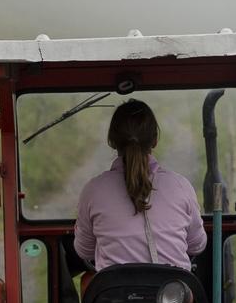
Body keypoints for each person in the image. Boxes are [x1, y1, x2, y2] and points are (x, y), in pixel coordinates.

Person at [74, 99, 207, 271]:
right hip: (171, 296)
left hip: (114, 296)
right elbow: (197, 245)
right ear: (155, 140)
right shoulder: (180, 186)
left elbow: (84, 250)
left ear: (112, 142)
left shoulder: (93, 190)